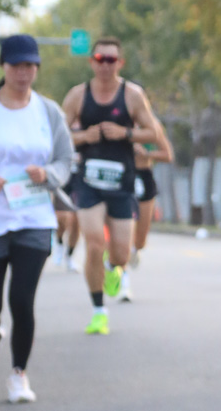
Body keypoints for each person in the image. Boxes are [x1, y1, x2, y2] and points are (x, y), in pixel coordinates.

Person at [0, 35, 75, 403]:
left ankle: (19, 374)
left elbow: (66, 159)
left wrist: (48, 174)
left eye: (30, 65)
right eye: (17, 65)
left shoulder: (48, 111)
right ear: (3, 67)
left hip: (34, 217)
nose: (24, 72)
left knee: (22, 300)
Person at [60, 38, 170, 335]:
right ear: (91, 62)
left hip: (122, 182)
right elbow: (57, 135)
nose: (105, 65)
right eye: (100, 59)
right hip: (89, 181)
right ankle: (98, 311)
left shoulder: (132, 95)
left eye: (111, 60)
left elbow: (154, 133)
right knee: (95, 243)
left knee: (122, 254)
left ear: (120, 63)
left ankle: (112, 268)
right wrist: (84, 137)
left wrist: (125, 133)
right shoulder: (78, 95)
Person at [125, 106, 175, 296]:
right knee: (124, 229)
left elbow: (167, 155)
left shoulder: (153, 126)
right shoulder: (119, 124)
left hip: (144, 177)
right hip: (123, 177)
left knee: (140, 238)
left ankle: (135, 250)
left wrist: (147, 155)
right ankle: (123, 280)